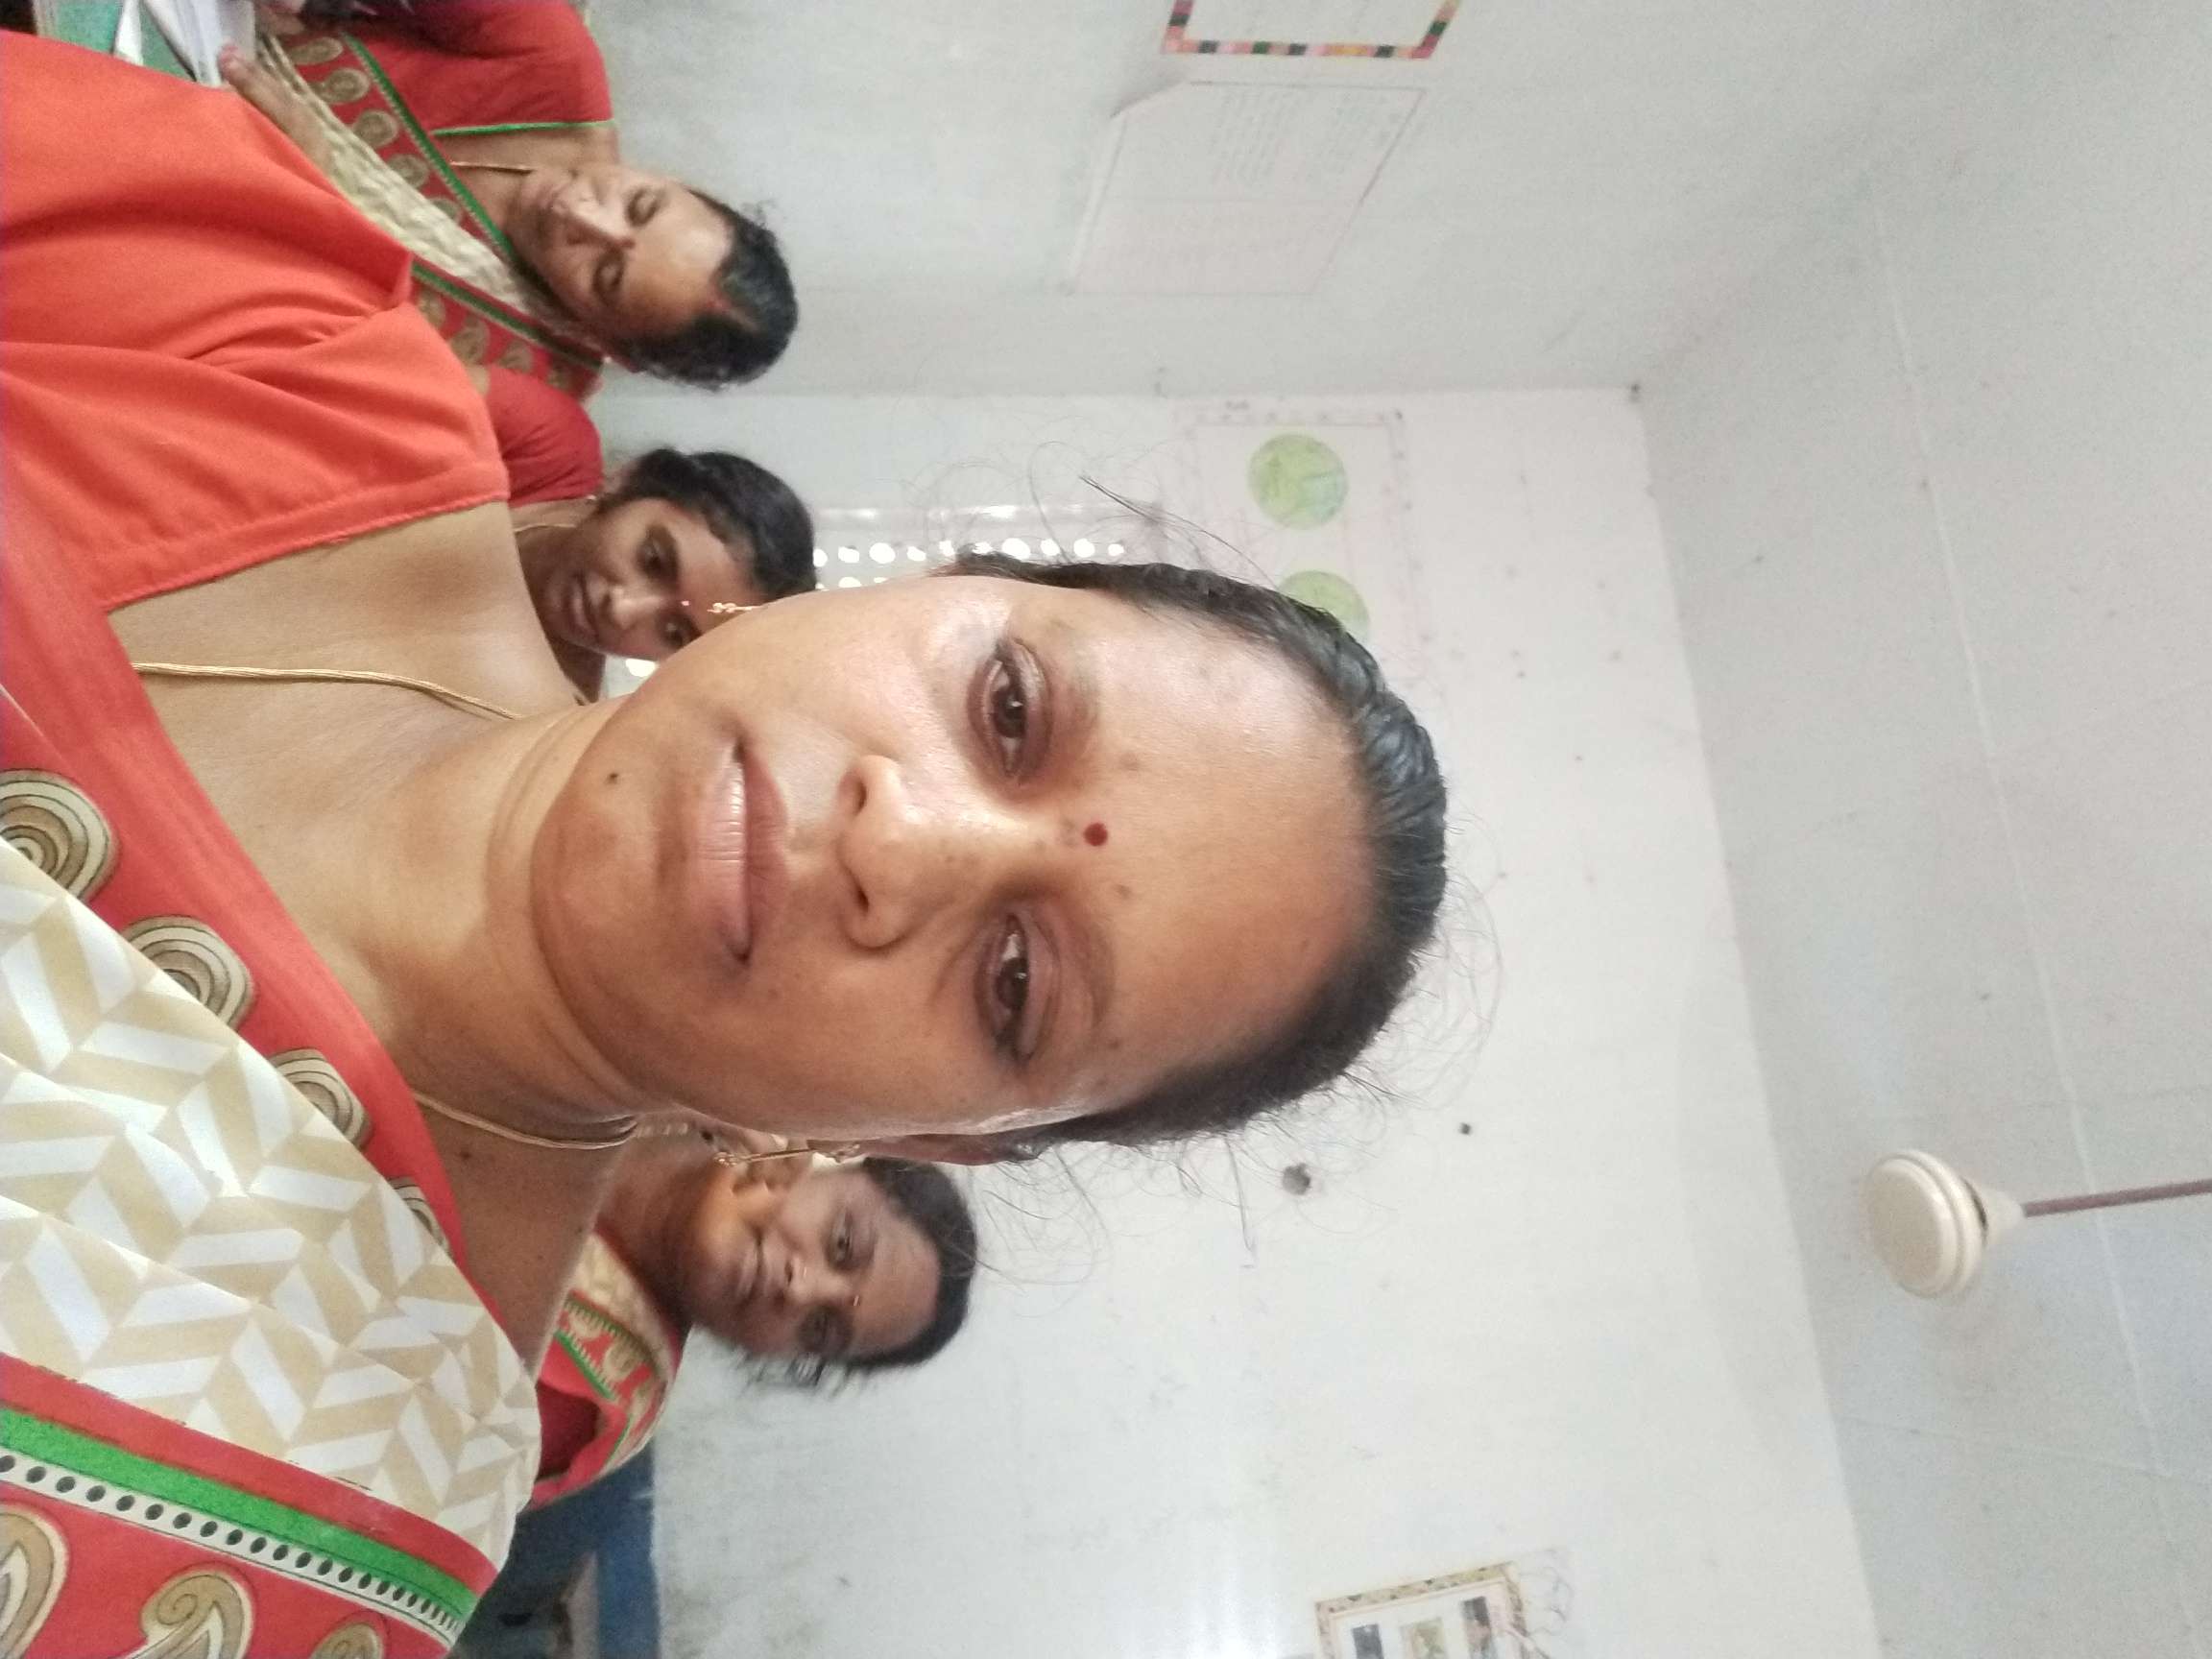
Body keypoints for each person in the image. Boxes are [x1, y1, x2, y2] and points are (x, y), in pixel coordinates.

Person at [0, 36, 1445, 1654]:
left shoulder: (329, 1500)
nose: (904, 839)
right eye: (1007, 708)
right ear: (918, 585)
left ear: (934, 1136)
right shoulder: (279, 324)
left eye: (1016, 979)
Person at [237, 0, 797, 397]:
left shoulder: (522, 383)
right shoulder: (554, 62)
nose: (580, 214)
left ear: (614, 346)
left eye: (605, 275)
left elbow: (308, 369)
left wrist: (314, 194)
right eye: (640, 206)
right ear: (677, 180)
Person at [530, 1142, 976, 1508]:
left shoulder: (587, 1396)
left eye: (821, 1328)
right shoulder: (654, 1086)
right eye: (842, 1244)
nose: (800, 1291)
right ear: (826, 1150)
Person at [485, 367, 816, 693]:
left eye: (674, 633)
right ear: (628, 480)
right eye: (653, 560)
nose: (622, 610)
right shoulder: (547, 444)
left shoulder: (540, 713)